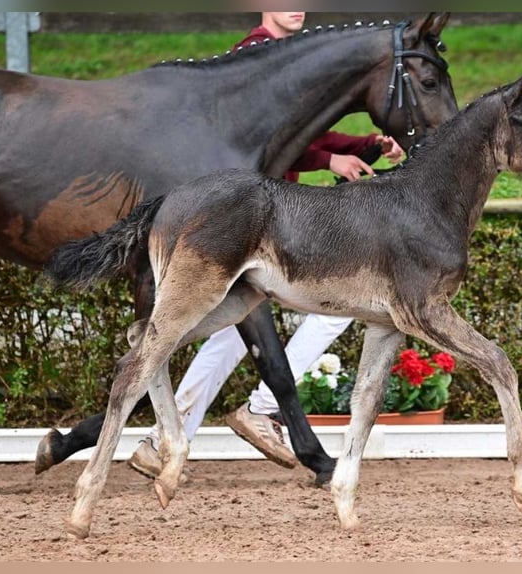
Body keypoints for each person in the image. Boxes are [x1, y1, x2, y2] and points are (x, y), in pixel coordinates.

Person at [128, 11, 403, 478]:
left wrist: (365, 147)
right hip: (252, 216)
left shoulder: (284, 53)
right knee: (337, 307)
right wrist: (336, 157)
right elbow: (270, 136)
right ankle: (258, 410)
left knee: (234, 328)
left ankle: (166, 440)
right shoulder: (253, 54)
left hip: (268, 212)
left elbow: (305, 133)